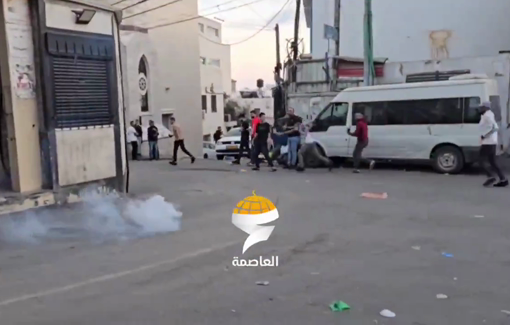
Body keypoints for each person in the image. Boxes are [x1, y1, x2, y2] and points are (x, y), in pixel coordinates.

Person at [478, 101, 508, 187]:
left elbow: (495, 128)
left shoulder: (487, 116)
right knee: (492, 162)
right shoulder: (488, 114)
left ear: (486, 107)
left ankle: (490, 177)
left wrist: (484, 136)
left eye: (481, 107)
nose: (480, 108)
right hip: (491, 142)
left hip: (488, 142)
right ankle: (503, 179)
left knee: (480, 160)